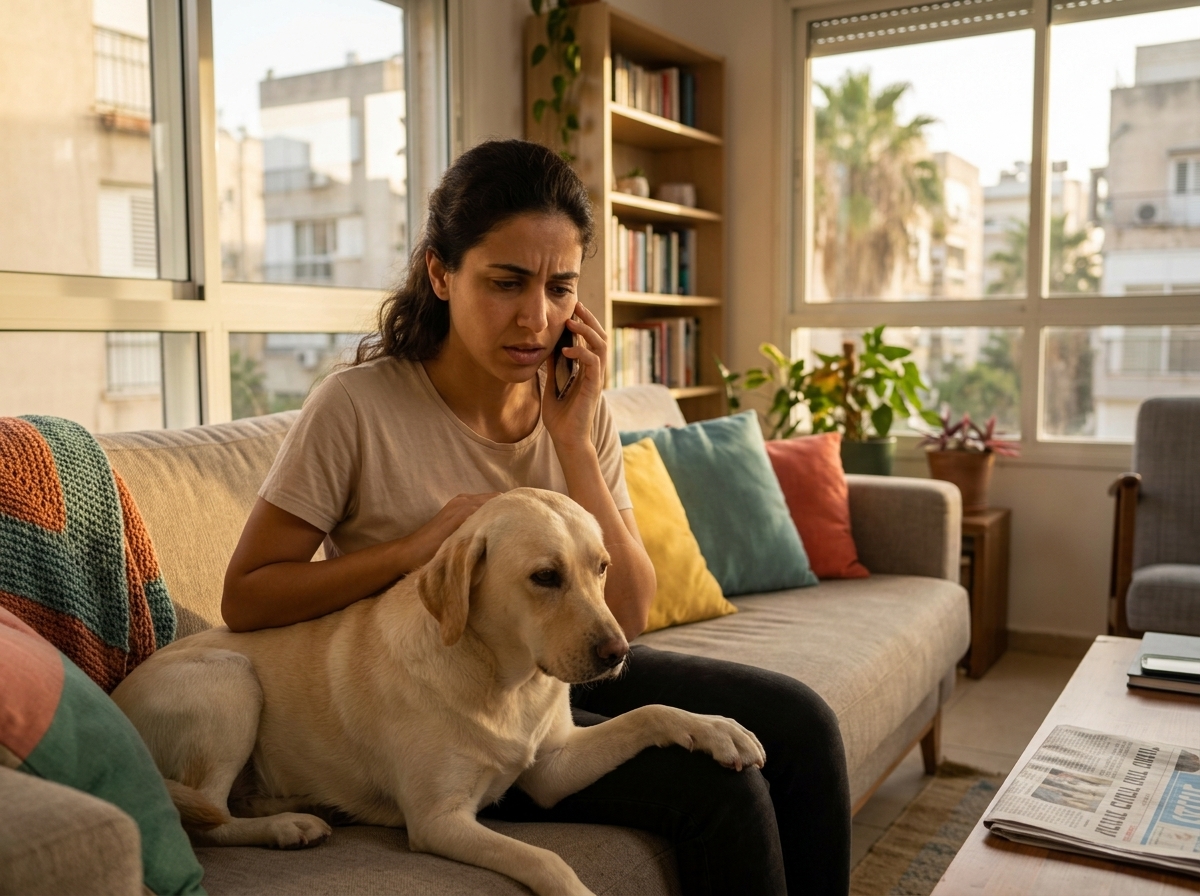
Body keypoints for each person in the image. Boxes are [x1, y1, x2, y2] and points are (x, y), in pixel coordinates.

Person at [221, 138, 850, 896]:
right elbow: (246, 597)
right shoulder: (355, 407)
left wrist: (572, 441)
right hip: (435, 705)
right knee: (723, 792)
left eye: (560, 288)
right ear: (441, 274)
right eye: (506, 282)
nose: (536, 318)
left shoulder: (576, 405)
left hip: (557, 673)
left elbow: (629, 613)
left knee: (803, 725)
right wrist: (417, 549)